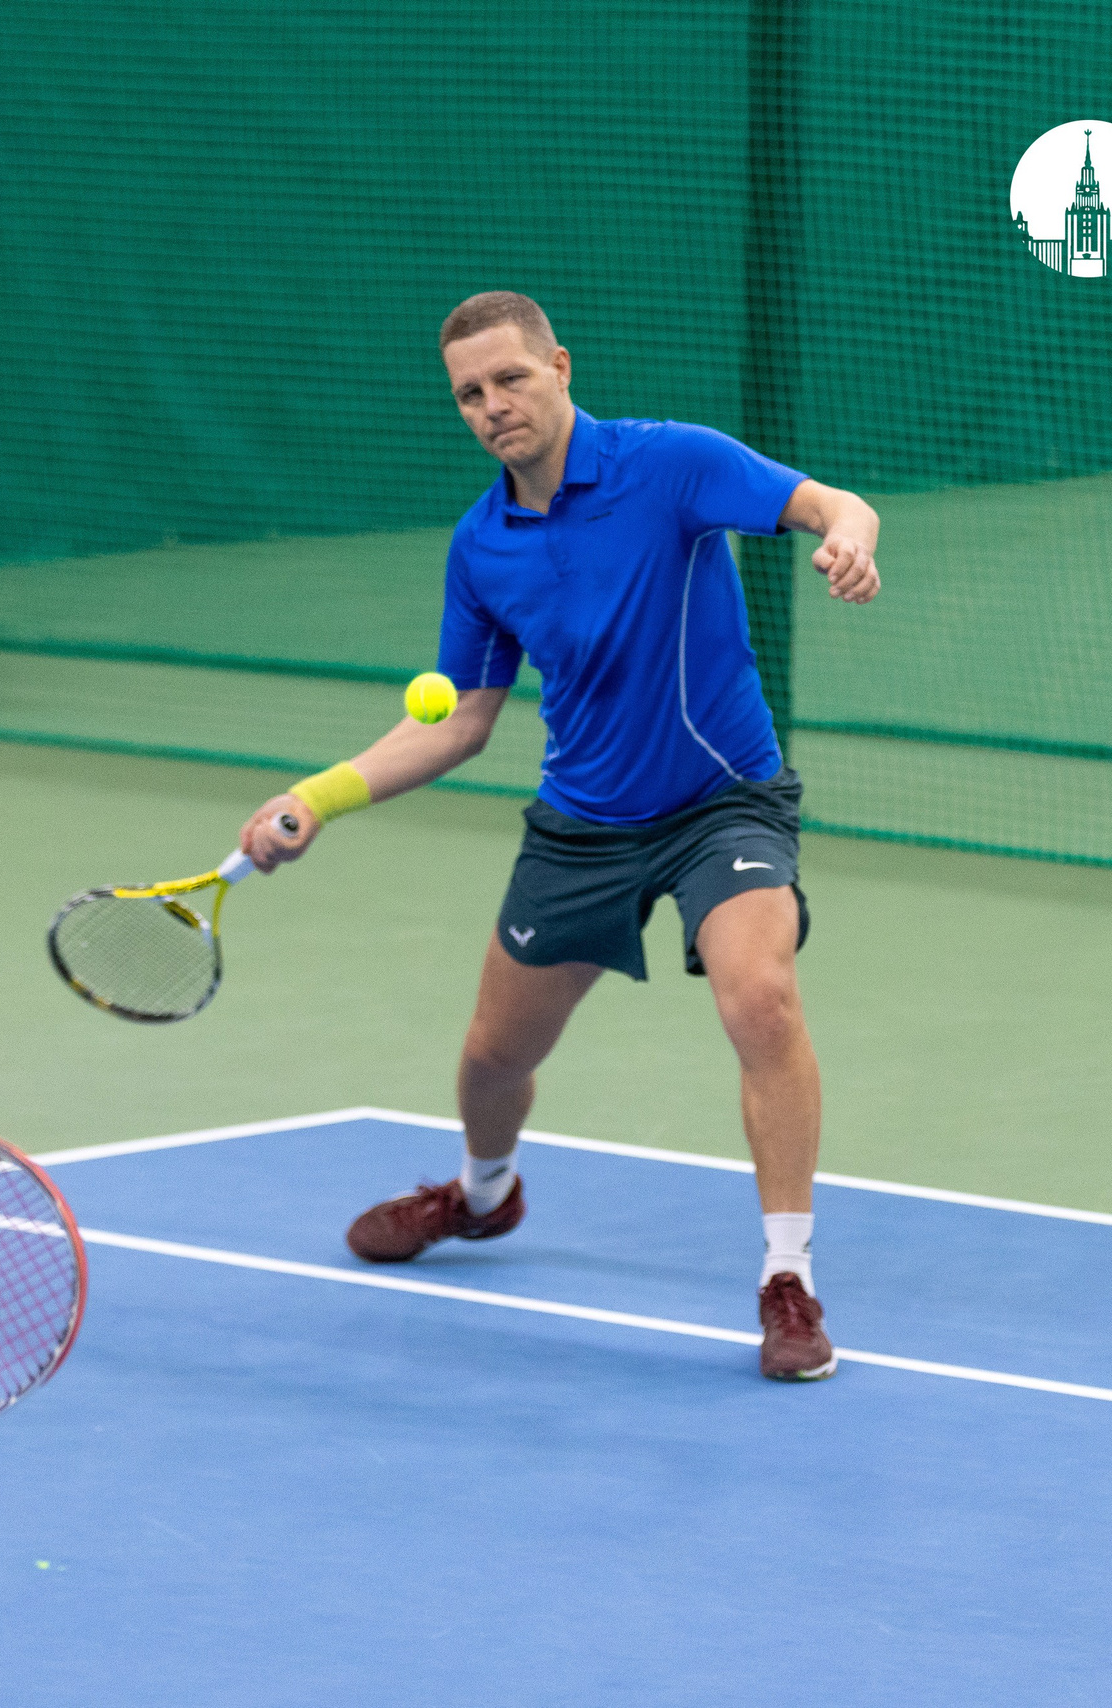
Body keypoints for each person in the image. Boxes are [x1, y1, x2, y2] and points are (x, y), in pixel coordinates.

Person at [239, 292, 881, 1382]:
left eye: (510, 380)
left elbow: (830, 504)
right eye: (470, 395)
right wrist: (317, 799)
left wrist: (851, 539)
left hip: (721, 800)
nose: (492, 407)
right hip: (582, 821)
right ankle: (483, 1197)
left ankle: (789, 1280)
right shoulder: (482, 545)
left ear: (560, 368)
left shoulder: (669, 464)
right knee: (496, 1056)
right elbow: (462, 721)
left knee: (757, 993)